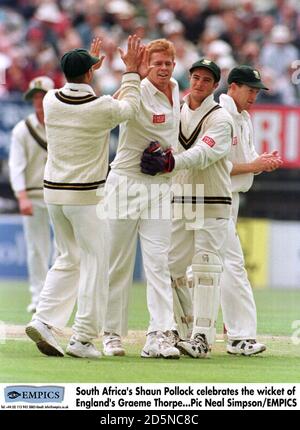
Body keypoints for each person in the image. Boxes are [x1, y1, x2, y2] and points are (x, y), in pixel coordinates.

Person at [25, 35, 143, 358]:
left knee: (68, 258)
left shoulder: (50, 100)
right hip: (86, 198)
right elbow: (128, 109)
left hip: (53, 195)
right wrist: (131, 71)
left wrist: (86, 68)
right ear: (90, 75)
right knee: (94, 263)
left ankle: (44, 318)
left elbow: (106, 106)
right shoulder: (100, 107)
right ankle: (83, 338)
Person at [142, 59, 235, 358]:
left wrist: (170, 162)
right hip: (179, 200)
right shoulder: (175, 110)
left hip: (212, 201)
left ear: (215, 85)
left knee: (206, 268)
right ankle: (180, 331)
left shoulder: (221, 118)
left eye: (206, 80)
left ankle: (203, 339)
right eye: (195, 77)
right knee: (170, 268)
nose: (199, 83)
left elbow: (203, 153)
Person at [102, 39, 181, 359]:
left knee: (159, 263)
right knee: (117, 262)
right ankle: (110, 334)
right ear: (146, 64)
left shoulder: (175, 88)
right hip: (124, 183)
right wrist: (130, 73)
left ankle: (159, 335)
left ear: (175, 65)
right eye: (157, 63)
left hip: (160, 186)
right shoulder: (135, 88)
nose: (163, 69)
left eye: (168, 63)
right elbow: (113, 110)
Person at [219, 65, 282, 355]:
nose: (254, 95)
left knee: (204, 267)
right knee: (233, 267)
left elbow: (246, 159)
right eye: (250, 89)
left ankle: (205, 326)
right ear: (233, 87)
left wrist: (262, 161)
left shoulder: (243, 118)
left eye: (257, 91)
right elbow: (216, 167)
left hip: (229, 200)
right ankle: (240, 336)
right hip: (214, 198)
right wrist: (254, 166)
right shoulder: (220, 117)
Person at [9, 76, 55, 314]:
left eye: (43, 96)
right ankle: (38, 297)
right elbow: (16, 166)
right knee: (37, 248)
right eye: (35, 97)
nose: (38, 101)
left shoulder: (61, 124)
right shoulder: (22, 130)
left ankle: (55, 298)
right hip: (34, 195)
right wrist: (22, 197)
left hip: (60, 194)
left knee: (63, 249)